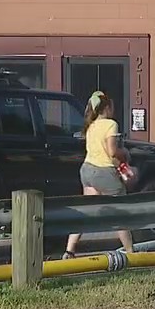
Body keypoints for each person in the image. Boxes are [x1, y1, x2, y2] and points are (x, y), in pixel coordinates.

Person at [63, 91, 135, 258]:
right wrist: (124, 153)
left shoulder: (91, 125)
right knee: (120, 214)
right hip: (104, 173)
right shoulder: (110, 124)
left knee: (86, 212)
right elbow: (111, 151)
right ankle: (131, 253)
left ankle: (69, 250)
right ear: (107, 107)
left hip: (87, 170)